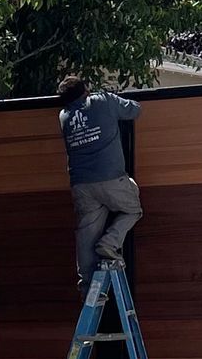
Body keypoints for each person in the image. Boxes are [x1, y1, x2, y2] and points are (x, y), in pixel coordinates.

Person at [56, 72, 142, 288]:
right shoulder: (104, 101)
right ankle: (110, 242)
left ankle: (87, 288)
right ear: (86, 90)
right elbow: (134, 109)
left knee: (86, 235)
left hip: (82, 185)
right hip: (111, 177)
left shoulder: (63, 116)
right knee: (133, 209)